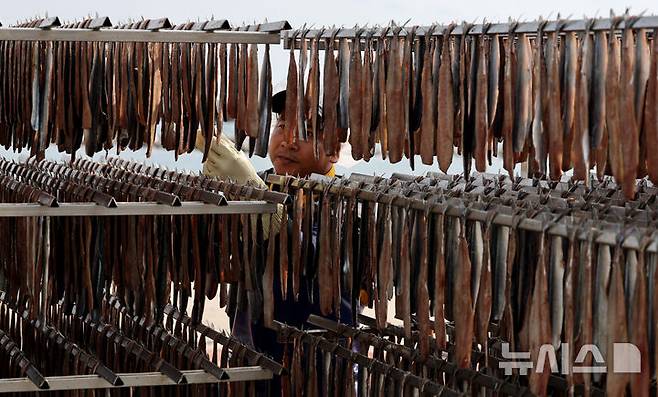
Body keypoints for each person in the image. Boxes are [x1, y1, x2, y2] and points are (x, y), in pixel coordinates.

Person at [196, 90, 350, 361]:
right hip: (250, 353)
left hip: (317, 360)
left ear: (334, 150)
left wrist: (270, 217)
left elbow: (313, 256)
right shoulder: (261, 183)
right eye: (282, 126)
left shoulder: (345, 202)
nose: (288, 141)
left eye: (306, 131)